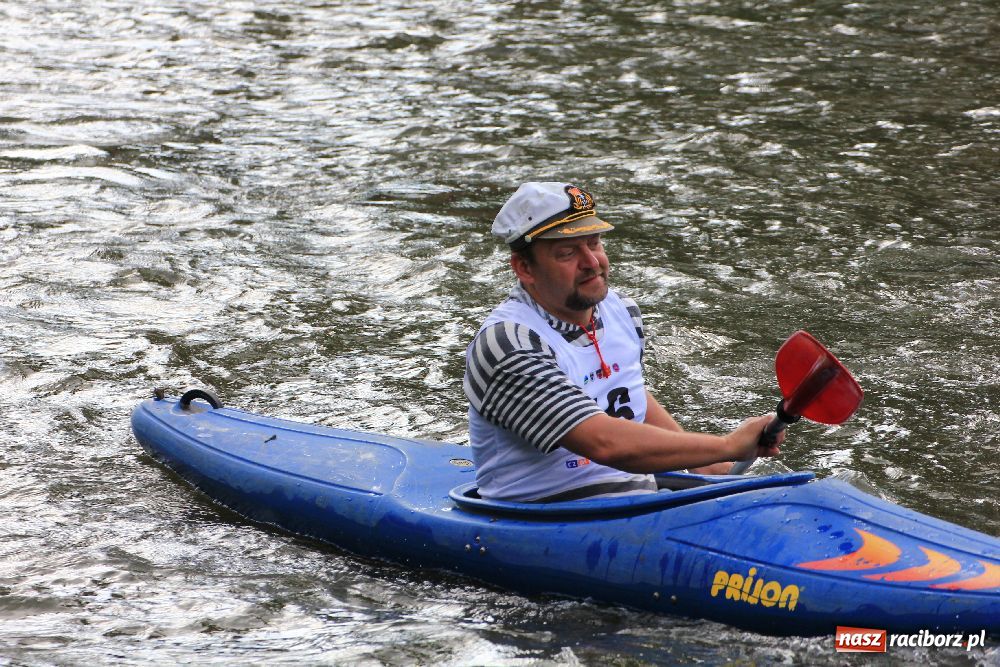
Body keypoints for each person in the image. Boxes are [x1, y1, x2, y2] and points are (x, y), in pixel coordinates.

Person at [463, 182, 782, 502]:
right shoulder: (508, 343)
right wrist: (725, 445)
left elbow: (627, 390)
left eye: (594, 242)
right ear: (524, 268)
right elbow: (604, 443)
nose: (591, 262)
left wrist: (705, 463)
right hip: (543, 515)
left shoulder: (621, 310)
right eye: (567, 252)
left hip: (633, 498)